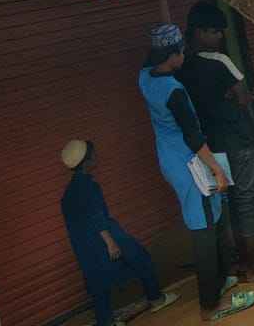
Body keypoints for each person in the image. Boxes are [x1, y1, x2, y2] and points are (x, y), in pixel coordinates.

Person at [160, 0, 254, 283]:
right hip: (238, 140)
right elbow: (243, 97)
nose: (220, 37)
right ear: (200, 32)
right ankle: (252, 265)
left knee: (225, 204)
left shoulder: (181, 64)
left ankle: (236, 263)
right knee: (246, 200)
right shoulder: (219, 60)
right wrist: (237, 97)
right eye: (215, 32)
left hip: (211, 145)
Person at [138, 23, 254, 321]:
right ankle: (210, 306)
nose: (184, 55)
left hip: (169, 156)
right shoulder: (174, 92)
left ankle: (220, 280)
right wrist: (217, 170)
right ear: (172, 55)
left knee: (214, 216)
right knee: (203, 229)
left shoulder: (145, 76)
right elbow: (193, 137)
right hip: (189, 163)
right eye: (181, 51)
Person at [60, 139, 178, 326]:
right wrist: (110, 242)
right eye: (93, 154)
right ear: (87, 161)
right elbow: (96, 216)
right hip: (106, 236)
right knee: (141, 258)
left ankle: (105, 322)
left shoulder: (67, 194)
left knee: (97, 283)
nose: (96, 157)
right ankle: (156, 299)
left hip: (84, 246)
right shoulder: (89, 186)